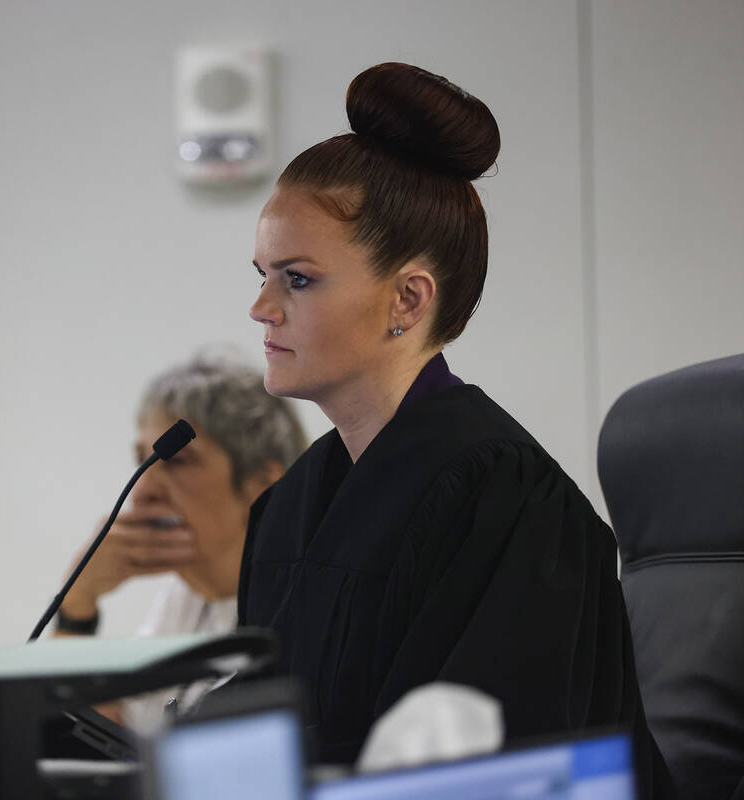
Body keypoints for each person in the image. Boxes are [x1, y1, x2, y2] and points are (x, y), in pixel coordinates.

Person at [239, 62, 673, 796]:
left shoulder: (509, 499)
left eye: (297, 279)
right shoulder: (289, 504)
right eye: (261, 274)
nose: (261, 308)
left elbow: (501, 776)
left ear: (408, 298)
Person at [55, 354, 306, 731]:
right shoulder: (188, 593)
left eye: (177, 461)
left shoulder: (303, 613)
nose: (143, 492)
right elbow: (109, 732)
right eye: (144, 459)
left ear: (265, 488)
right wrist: (77, 604)